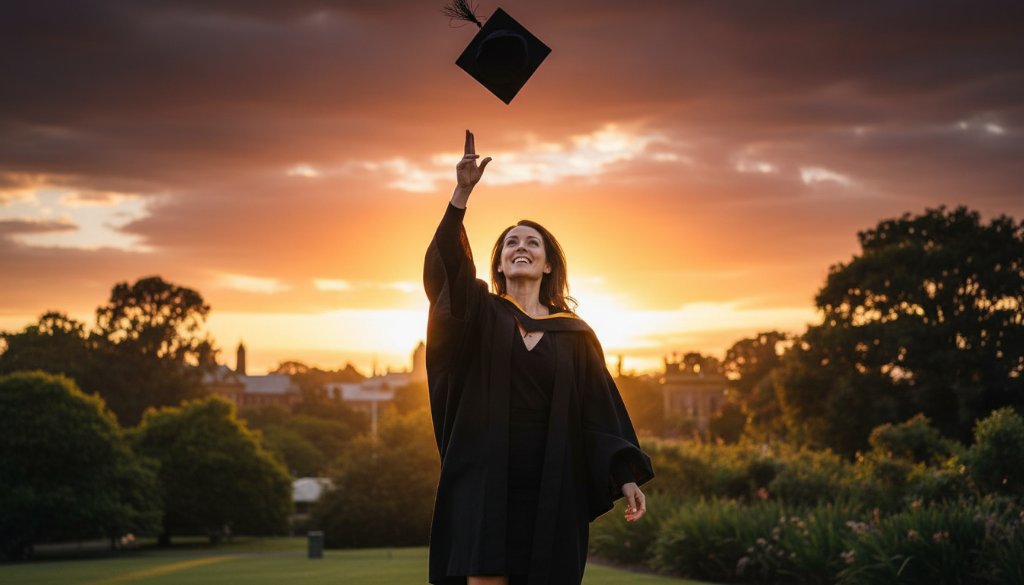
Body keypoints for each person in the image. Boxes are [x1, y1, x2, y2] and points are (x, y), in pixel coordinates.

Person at [424, 130, 654, 585]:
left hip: (553, 482)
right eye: (511, 243)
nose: (521, 247)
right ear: (500, 266)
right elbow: (447, 274)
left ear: (548, 264)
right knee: (484, 575)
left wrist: (624, 473)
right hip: (485, 478)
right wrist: (461, 194)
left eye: (532, 243)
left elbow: (598, 411)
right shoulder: (481, 314)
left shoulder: (574, 335)